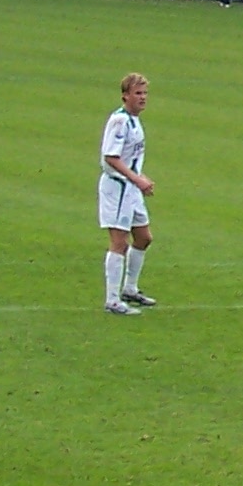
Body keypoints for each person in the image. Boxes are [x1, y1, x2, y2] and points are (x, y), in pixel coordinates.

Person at [99, 73, 158, 315]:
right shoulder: (119, 121)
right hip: (118, 188)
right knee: (119, 243)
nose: (142, 98)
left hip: (131, 188)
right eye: (138, 93)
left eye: (145, 93)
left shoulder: (135, 121)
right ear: (125, 96)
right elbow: (110, 157)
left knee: (144, 237)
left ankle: (129, 289)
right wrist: (136, 179)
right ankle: (112, 300)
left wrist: (140, 178)